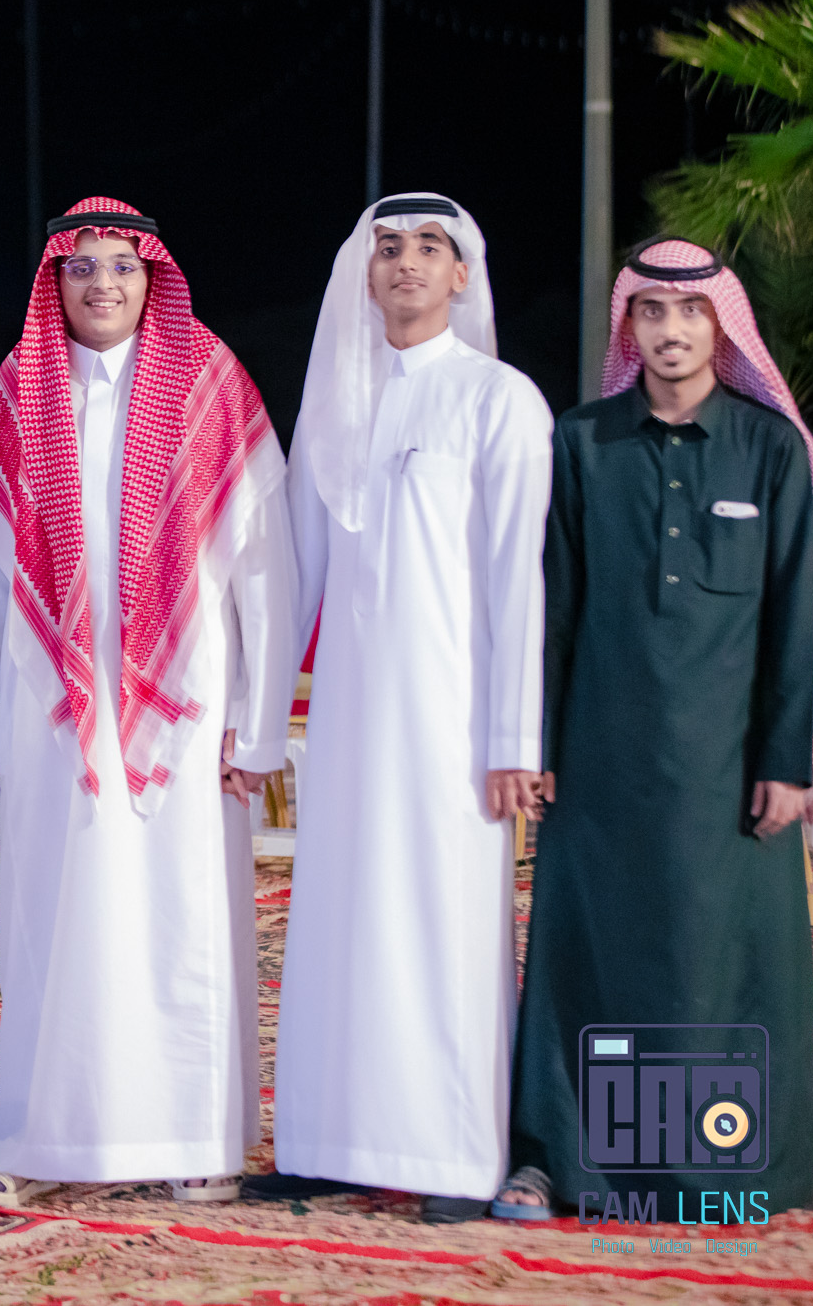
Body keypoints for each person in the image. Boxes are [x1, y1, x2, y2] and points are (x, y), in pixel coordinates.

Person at [496, 238, 813, 1220]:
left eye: (690, 312)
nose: (670, 330)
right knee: (588, 961)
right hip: (599, 762)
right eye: (650, 311)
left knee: (717, 967)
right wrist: (538, 745)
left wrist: (785, 761)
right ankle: (560, 1163)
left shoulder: (770, 449)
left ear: (721, 326)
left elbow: (789, 617)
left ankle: (721, 1172)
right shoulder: (581, 444)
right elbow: (555, 608)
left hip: (730, 771)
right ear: (628, 327)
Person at [0, 198, 295, 1207]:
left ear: (152, 277)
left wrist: (259, 727)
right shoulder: (11, 398)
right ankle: (37, 1139)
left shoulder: (209, 384)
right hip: (48, 702)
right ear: (53, 282)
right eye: (82, 267)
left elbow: (264, 567)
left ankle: (195, 1137)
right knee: (48, 916)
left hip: (185, 703)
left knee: (181, 909)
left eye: (122, 265)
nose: (102, 283)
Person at [259, 194, 552, 1224]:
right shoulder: (335, 408)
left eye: (430, 247)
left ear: (462, 274)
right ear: (364, 270)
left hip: (452, 724)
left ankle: (454, 1155)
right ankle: (325, 1142)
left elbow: (519, 582)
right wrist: (260, 727)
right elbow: (290, 577)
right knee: (337, 922)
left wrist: (514, 737)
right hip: (347, 722)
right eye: (387, 247)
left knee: (441, 925)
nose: (406, 263)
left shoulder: (499, 400)